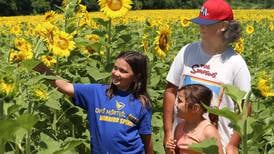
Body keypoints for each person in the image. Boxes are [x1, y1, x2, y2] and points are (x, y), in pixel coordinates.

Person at [163, 0, 251, 153]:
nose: (201, 26)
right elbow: (170, 91)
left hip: (217, 146)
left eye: (206, 22)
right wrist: (168, 131)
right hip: (181, 144)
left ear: (223, 26)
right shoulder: (187, 51)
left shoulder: (236, 63)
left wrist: (233, 144)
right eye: (200, 21)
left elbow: (246, 107)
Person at [35, 51, 153, 154]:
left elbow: (146, 139)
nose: (116, 73)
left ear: (136, 77)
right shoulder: (97, 92)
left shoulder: (141, 103)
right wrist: (39, 67)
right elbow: (65, 87)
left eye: (123, 71)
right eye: (115, 68)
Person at [165, 84, 223, 154]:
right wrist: (170, 151)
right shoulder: (180, 127)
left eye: (180, 101)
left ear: (195, 108)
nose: (176, 105)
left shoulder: (208, 131)